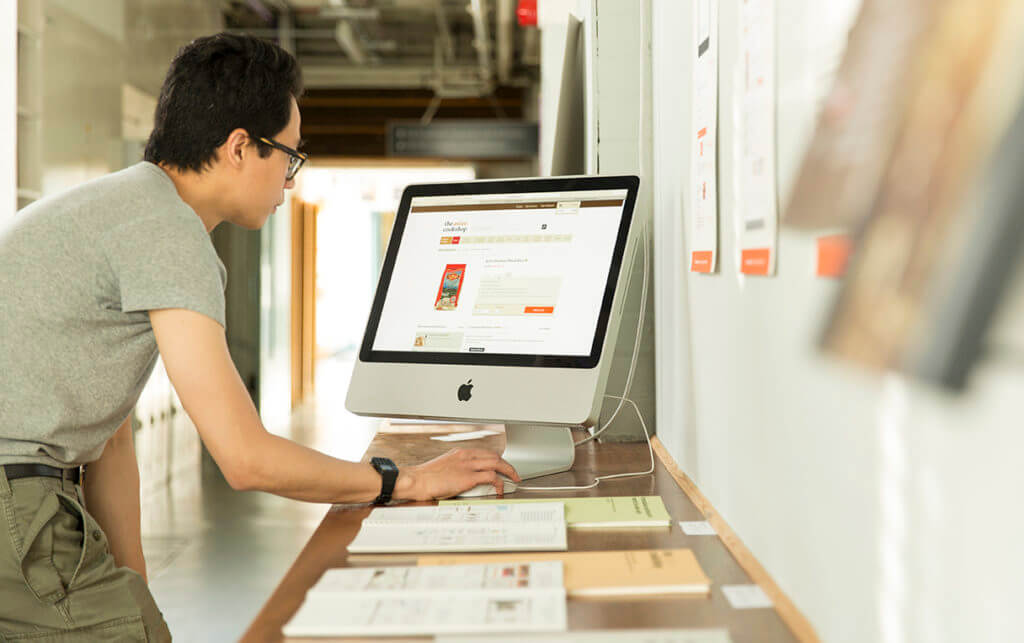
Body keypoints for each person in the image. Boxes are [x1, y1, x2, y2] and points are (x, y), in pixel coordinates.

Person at [0, 33, 518, 641]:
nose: (291, 181)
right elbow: (244, 459)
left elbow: (110, 439)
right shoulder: (166, 230)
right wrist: (405, 479)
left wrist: (135, 602)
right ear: (240, 147)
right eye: (290, 157)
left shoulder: (119, 206)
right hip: (19, 508)